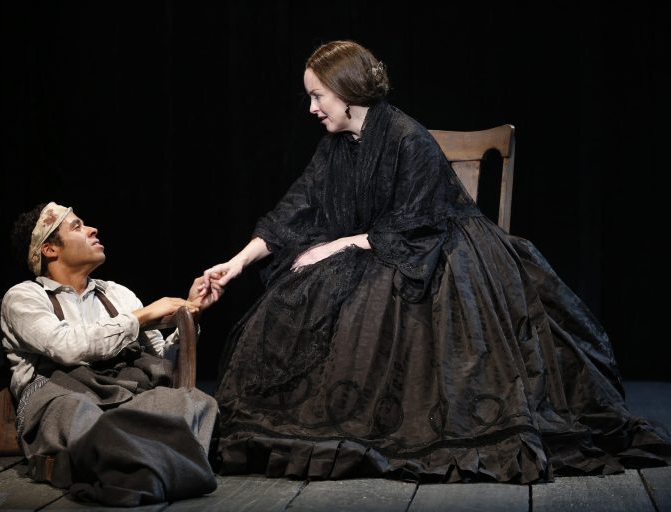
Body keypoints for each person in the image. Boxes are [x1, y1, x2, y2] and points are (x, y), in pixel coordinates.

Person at [201, 40, 671, 483]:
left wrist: (338, 245)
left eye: (317, 95)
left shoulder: (407, 137)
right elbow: (294, 211)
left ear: (345, 93)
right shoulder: (336, 146)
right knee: (306, 287)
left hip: (441, 251)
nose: (311, 108)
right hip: (377, 247)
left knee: (377, 302)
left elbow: (418, 225)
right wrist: (236, 263)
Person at [1, 201, 222, 507]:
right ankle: (161, 464)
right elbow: (66, 347)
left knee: (194, 401)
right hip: (60, 392)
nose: (92, 229)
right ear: (50, 248)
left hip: (124, 391)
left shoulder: (117, 293)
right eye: (77, 226)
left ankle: (145, 465)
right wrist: (139, 317)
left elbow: (163, 361)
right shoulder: (24, 296)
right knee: (80, 412)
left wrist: (190, 312)